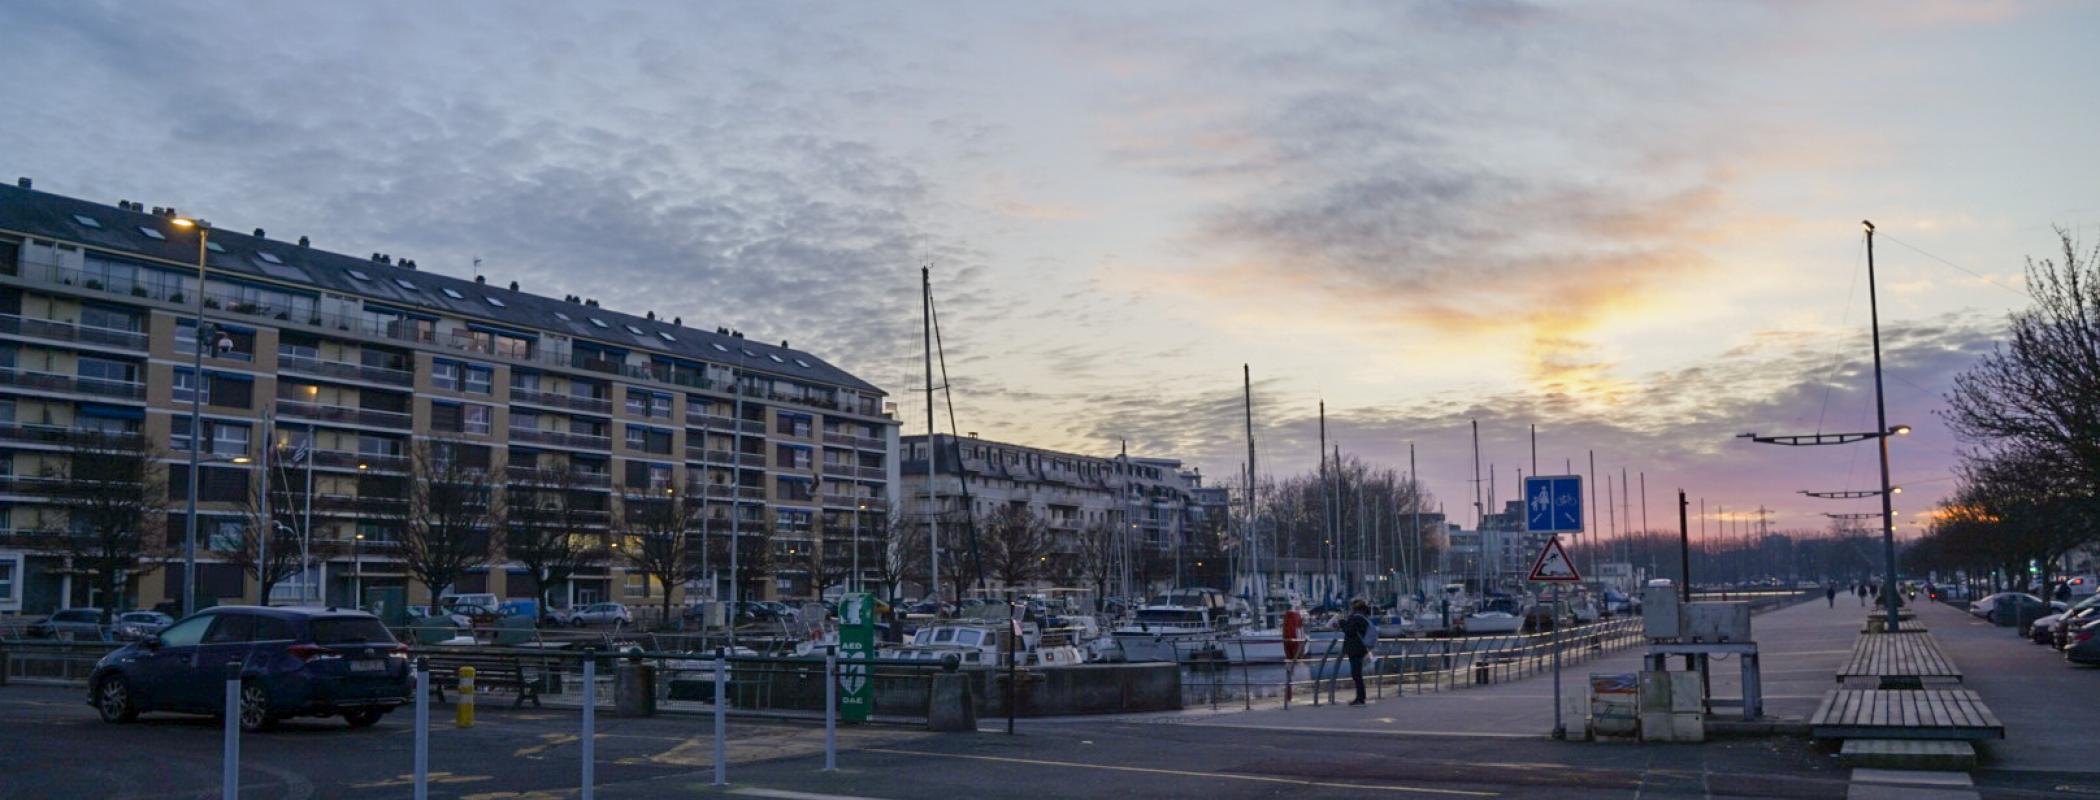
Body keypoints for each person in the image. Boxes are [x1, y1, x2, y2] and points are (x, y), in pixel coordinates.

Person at [1342, 599, 1372, 706]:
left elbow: (1349, 631)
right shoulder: (1363, 618)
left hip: (1355, 649)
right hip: (1361, 649)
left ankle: (1360, 698)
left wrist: (1342, 623)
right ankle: (1361, 697)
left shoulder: (1356, 619)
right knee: (1357, 674)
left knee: (1356, 674)